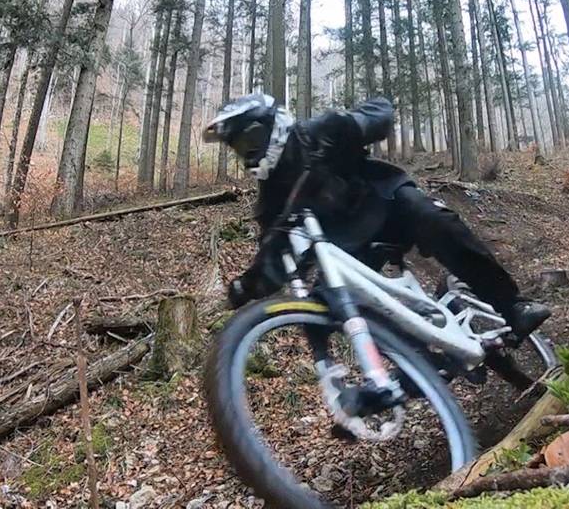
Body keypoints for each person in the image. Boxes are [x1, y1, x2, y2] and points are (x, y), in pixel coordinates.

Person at [202, 93, 550, 344]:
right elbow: (273, 255)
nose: (247, 150)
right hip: (349, 251)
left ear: (268, 126)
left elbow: (381, 110)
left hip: (388, 204)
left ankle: (511, 306)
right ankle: (399, 379)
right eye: (238, 146)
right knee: (328, 309)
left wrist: (350, 124)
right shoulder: (270, 199)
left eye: (249, 138)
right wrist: (246, 287)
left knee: (432, 219)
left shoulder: (317, 132)